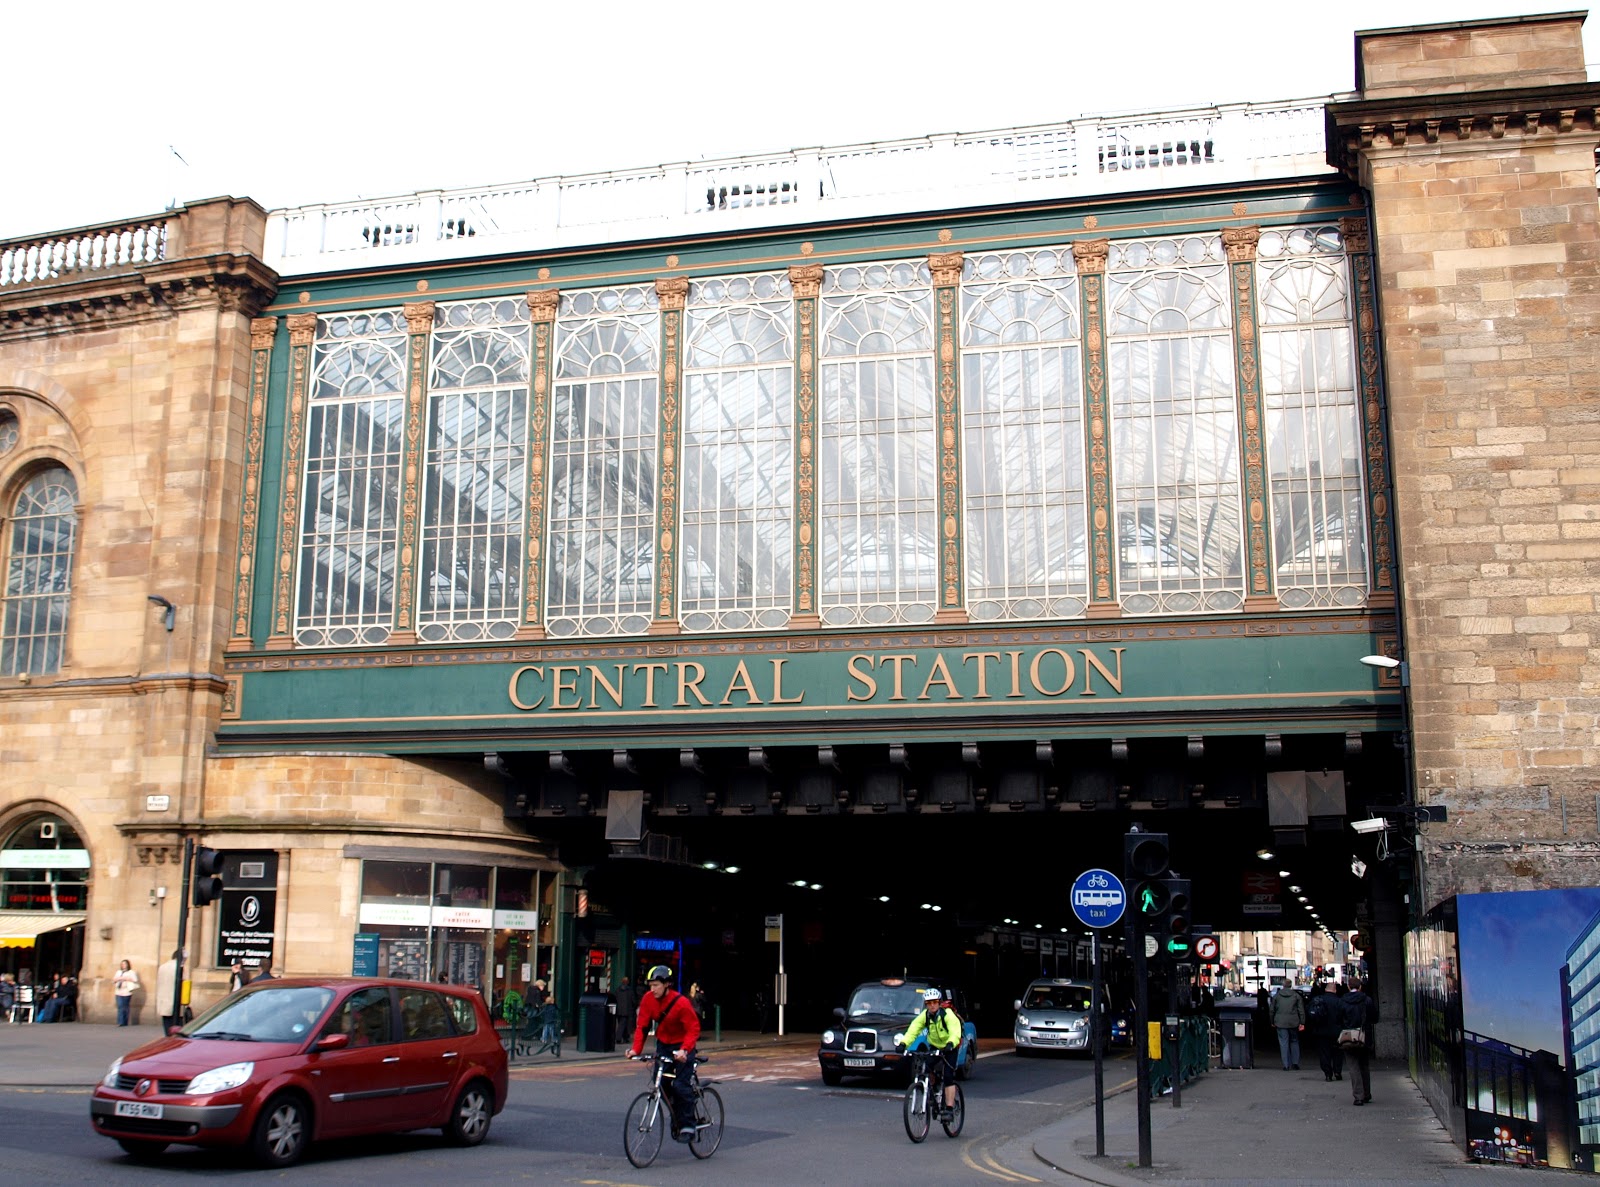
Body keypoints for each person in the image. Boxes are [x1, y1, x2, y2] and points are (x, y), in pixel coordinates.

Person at [629, 965, 702, 1142]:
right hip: (664, 1044)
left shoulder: (681, 1003)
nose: (652, 989)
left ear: (667, 984)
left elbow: (693, 1028)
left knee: (680, 1086)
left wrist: (684, 1050)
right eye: (650, 985)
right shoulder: (648, 999)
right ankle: (678, 1112)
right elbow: (643, 1026)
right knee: (659, 1083)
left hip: (683, 1044)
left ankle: (688, 1125)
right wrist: (635, 1050)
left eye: (656, 985)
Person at [900, 987, 963, 1119]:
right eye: (929, 1003)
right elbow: (914, 1029)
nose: (932, 1005)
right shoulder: (925, 1016)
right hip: (935, 1046)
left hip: (950, 1047)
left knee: (948, 1076)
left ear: (939, 1003)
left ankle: (950, 1108)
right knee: (926, 1068)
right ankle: (934, 1089)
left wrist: (951, 1043)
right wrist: (903, 1043)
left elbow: (955, 1030)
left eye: (934, 1002)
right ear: (926, 1004)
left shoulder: (947, 1014)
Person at [1341, 976, 1379, 1105]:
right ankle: (1367, 1093)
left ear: (1348, 987)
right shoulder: (1367, 1000)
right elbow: (1374, 1017)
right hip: (1364, 1036)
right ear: (1360, 987)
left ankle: (1358, 1096)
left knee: (1353, 1066)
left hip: (1348, 1036)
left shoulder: (1343, 1001)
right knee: (1364, 1065)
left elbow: (1338, 1018)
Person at [1307, 981, 1342, 1082]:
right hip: (1336, 1031)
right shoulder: (1339, 1001)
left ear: (1325, 989)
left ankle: (1328, 1073)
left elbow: (1310, 1013)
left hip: (1321, 1031)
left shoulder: (1318, 1000)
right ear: (1335, 990)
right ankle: (1337, 1071)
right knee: (1337, 1052)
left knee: (1324, 1053)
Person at [1269, 981, 1306, 1070]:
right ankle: (1295, 1063)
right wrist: (1302, 1022)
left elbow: (1272, 1010)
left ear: (1283, 985)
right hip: (1293, 1022)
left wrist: (1272, 1021)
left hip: (1280, 1022)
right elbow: (1301, 1010)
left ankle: (1286, 1065)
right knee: (1294, 1041)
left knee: (1283, 1043)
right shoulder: (1296, 996)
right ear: (1291, 985)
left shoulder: (1277, 996)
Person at [156, 949, 182, 1032]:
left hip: (164, 1000)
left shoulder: (163, 966)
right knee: (177, 1026)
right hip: (175, 1001)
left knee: (167, 1024)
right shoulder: (179, 967)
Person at [113, 960, 139, 1026]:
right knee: (120, 1006)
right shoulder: (119, 972)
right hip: (119, 991)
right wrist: (120, 978)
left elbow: (135, 980)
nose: (123, 965)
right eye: (122, 964)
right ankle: (120, 1021)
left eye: (124, 964)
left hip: (127, 991)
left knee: (125, 1007)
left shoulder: (131, 972)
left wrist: (126, 978)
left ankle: (125, 1021)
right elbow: (114, 979)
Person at [613, 976, 636, 1046]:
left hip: (619, 1010)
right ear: (627, 982)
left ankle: (625, 1037)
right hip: (627, 1010)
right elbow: (633, 1001)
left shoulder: (617, 990)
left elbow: (615, 999)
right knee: (623, 1025)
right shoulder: (630, 991)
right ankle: (618, 1038)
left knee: (622, 1024)